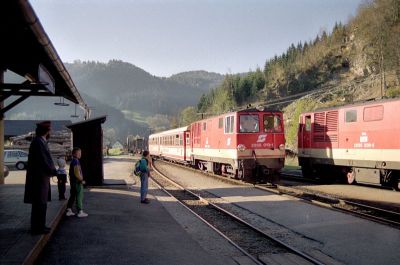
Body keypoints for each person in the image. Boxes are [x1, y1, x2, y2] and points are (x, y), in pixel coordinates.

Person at [24, 121, 57, 235]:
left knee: (41, 204)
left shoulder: (40, 141)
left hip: (41, 178)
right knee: (39, 204)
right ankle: (37, 228)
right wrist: (54, 171)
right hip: (38, 179)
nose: (50, 132)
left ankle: (40, 226)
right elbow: (44, 160)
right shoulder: (38, 142)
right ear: (46, 131)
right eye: (50, 130)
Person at [65, 148, 88, 217]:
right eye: (78, 153)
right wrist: (81, 180)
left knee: (72, 195)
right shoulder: (76, 162)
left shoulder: (73, 161)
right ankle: (80, 211)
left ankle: (69, 210)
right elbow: (77, 173)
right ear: (74, 154)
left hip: (73, 182)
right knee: (79, 196)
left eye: (80, 153)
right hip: (77, 182)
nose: (80, 154)